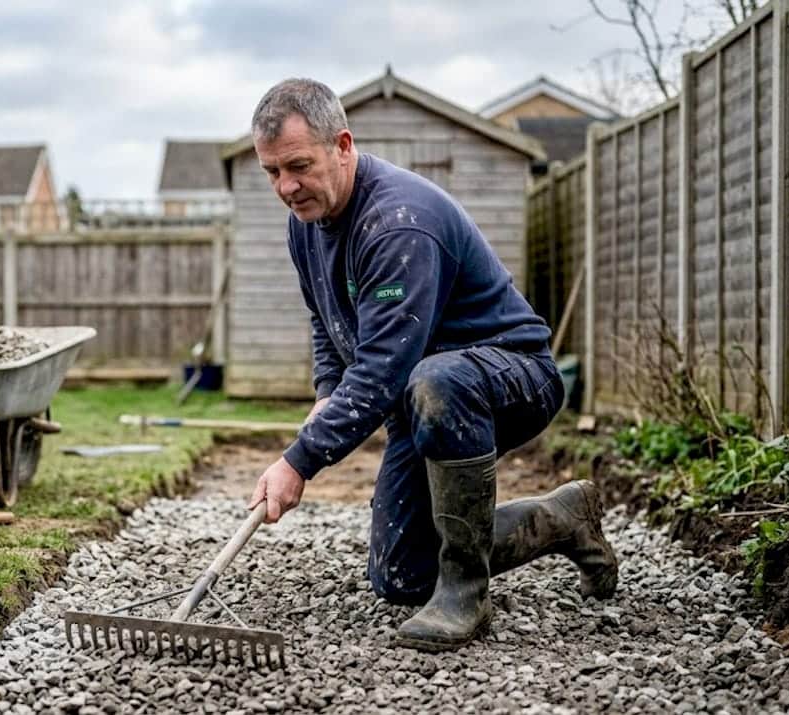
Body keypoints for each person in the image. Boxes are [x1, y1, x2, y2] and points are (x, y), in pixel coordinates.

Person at [244, 78, 618, 652]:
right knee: (400, 573)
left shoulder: (397, 223)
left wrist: (299, 461)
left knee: (433, 376)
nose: (286, 187)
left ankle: (465, 593)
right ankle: (562, 519)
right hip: (426, 399)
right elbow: (326, 317)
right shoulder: (307, 223)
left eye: (298, 165)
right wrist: (326, 388)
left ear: (342, 146)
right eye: (272, 172)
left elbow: (383, 371)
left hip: (510, 378)